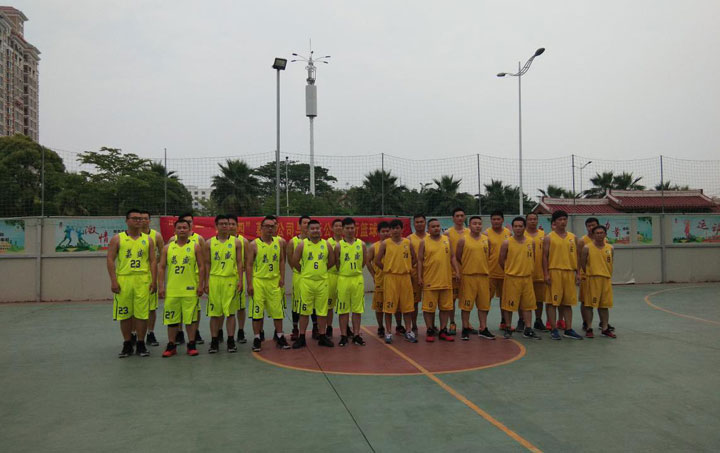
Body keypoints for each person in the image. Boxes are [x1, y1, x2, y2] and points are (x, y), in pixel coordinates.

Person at [106, 209, 157, 358]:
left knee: (142, 314)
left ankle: (141, 343)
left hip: (142, 279)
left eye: (140, 219)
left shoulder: (148, 240)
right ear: (126, 221)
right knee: (125, 314)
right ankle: (127, 343)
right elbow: (110, 259)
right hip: (124, 279)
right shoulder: (118, 239)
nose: (138, 221)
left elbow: (153, 261)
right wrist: (113, 280)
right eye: (134, 218)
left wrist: (154, 280)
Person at [158, 218, 205, 357]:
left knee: (190, 319)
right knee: (171, 319)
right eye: (179, 228)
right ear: (175, 230)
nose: (182, 230)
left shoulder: (195, 247)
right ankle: (171, 345)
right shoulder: (167, 248)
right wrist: (161, 286)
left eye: (185, 227)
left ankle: (191, 344)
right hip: (173, 290)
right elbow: (161, 267)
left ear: (190, 230)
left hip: (190, 289)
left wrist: (201, 285)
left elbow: (202, 266)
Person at [246, 215, 290, 352]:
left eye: (272, 226)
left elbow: (282, 260)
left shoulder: (279, 243)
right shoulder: (254, 245)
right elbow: (249, 265)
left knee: (278, 311)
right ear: (261, 228)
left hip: (274, 282)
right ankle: (257, 338)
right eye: (267, 226)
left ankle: (280, 336)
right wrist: (249, 284)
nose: (270, 229)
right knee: (257, 312)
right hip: (259, 282)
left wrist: (282, 277)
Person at [291, 220, 336, 348]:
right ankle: (302, 337)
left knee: (322, 311)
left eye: (317, 228)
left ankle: (322, 336)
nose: (315, 230)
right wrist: (305, 272)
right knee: (304, 311)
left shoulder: (326, 244)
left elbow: (332, 261)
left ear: (320, 229)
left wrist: (321, 271)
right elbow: (295, 261)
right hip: (307, 283)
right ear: (308, 230)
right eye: (313, 228)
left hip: (322, 282)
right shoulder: (302, 244)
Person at [203, 215, 244, 353]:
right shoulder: (209, 243)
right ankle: (214, 341)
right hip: (215, 280)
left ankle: (230, 341)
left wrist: (240, 280)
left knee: (231, 313)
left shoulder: (236, 242)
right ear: (216, 226)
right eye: (221, 224)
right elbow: (207, 263)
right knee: (215, 313)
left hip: (230, 280)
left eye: (227, 223)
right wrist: (206, 281)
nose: (225, 226)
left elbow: (239, 262)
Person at [374, 219, 417, 344]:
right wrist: (387, 269)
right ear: (390, 231)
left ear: (402, 229)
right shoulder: (385, 243)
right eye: (393, 228)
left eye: (398, 228)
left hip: (405, 277)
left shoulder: (407, 242)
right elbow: (377, 261)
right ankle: (388, 332)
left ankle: (408, 331)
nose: (395, 230)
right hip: (390, 278)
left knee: (407, 307)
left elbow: (414, 258)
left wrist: (407, 267)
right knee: (388, 308)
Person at [543, 210, 583, 340]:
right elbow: (544, 257)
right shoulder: (549, 237)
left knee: (568, 303)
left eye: (564, 219)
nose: (563, 222)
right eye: (560, 219)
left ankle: (568, 329)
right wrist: (546, 274)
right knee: (552, 303)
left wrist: (578, 273)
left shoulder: (573, 237)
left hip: (569, 272)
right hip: (555, 272)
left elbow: (577, 256)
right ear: (554, 222)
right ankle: (554, 329)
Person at [498, 217, 541, 340]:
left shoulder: (531, 242)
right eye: (515, 226)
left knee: (528, 306)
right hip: (512, 278)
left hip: (527, 278)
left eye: (520, 226)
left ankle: (528, 329)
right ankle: (508, 327)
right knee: (508, 305)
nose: (518, 228)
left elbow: (532, 258)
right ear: (512, 228)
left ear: (524, 227)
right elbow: (501, 260)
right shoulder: (507, 243)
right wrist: (510, 270)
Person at [418, 218, 459, 342]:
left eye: (438, 226)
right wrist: (419, 277)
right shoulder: (424, 242)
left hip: (446, 281)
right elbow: (420, 260)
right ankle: (430, 330)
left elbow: (452, 257)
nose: (436, 228)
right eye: (433, 226)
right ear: (428, 229)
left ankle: (443, 330)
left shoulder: (447, 240)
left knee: (445, 308)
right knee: (429, 309)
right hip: (430, 281)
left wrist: (457, 271)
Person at [169, 213, 206, 345]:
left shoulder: (199, 239)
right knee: (177, 308)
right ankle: (179, 332)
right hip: (178, 279)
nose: (186, 225)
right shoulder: (172, 241)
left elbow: (203, 261)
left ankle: (195, 332)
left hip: (193, 278)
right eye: (184, 222)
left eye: (189, 222)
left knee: (195, 309)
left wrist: (202, 282)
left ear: (192, 224)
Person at [456, 216, 495, 340]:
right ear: (469, 226)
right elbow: (458, 256)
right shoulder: (463, 240)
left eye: (479, 223)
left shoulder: (486, 240)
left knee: (483, 305)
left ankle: (483, 328)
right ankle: (465, 328)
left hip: (483, 276)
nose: (477, 226)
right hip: (468, 276)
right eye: (474, 223)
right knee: (466, 305)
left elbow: (488, 255)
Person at [334, 217, 368, 346]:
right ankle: (343, 335)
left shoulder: (362, 244)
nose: (350, 230)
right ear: (343, 230)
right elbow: (337, 263)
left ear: (355, 229)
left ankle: (356, 335)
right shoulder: (338, 245)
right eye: (347, 228)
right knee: (343, 309)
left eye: (352, 228)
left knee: (357, 309)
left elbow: (363, 262)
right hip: (343, 279)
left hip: (357, 279)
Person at [580, 225, 616, 338]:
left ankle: (605, 328)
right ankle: (589, 328)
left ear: (605, 234)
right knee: (589, 305)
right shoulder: (587, 248)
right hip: (592, 279)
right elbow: (583, 263)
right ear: (593, 235)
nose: (599, 235)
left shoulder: (610, 248)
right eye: (597, 233)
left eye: (601, 233)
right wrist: (590, 273)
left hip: (606, 280)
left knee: (604, 306)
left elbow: (610, 262)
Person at [444, 207, 472, 335]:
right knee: (452, 300)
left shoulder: (470, 232)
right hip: (452, 272)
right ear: (453, 218)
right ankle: (452, 322)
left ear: (465, 217)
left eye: (462, 215)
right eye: (457, 216)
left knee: (466, 299)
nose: (460, 218)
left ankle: (467, 323)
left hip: (467, 271)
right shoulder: (447, 234)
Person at [140, 210, 164, 347]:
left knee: (151, 307)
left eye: (145, 218)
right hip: (136, 275)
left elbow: (162, 253)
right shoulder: (132, 236)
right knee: (135, 308)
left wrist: (154, 264)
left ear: (149, 220)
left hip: (150, 275)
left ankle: (150, 333)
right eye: (140, 218)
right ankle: (135, 334)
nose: (143, 221)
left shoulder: (156, 236)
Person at [288, 216, 315, 340]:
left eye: (308, 223)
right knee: (297, 303)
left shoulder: (316, 241)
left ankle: (315, 328)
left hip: (312, 278)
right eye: (304, 223)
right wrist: (302, 271)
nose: (306, 225)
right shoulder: (293, 242)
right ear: (299, 225)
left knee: (313, 303)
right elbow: (291, 261)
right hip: (299, 277)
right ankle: (295, 329)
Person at [485, 210, 511, 330]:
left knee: (504, 300)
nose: (496, 221)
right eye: (494, 219)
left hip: (505, 272)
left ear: (502, 220)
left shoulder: (508, 233)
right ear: (491, 220)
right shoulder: (486, 234)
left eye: (498, 219)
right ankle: (483, 325)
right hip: (490, 272)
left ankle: (504, 322)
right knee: (486, 299)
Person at [524, 213, 548, 332]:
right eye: (530, 219)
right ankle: (522, 321)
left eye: (534, 219)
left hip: (540, 272)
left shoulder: (544, 235)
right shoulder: (521, 234)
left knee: (539, 299)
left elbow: (547, 254)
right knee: (524, 299)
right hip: (525, 273)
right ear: (526, 221)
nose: (532, 221)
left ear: (538, 221)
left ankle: (538, 320)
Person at [227, 216, 250, 344]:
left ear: (237, 226)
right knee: (222, 308)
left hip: (237, 278)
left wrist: (243, 269)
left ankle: (240, 331)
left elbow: (248, 259)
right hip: (223, 279)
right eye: (228, 224)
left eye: (233, 224)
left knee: (240, 307)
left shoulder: (243, 241)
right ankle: (220, 332)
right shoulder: (218, 241)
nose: (230, 226)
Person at [367, 221, 390, 337]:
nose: (385, 233)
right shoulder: (373, 247)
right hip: (380, 280)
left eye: (387, 231)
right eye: (383, 231)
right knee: (379, 306)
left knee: (395, 306)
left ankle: (398, 325)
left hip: (394, 280)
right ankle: (381, 327)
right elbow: (367, 261)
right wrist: (374, 275)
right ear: (378, 233)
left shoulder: (395, 245)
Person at [407, 214, 427, 336]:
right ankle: (413, 325)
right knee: (414, 302)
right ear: (414, 224)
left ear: (425, 223)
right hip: (414, 274)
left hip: (430, 274)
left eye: (421, 222)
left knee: (430, 301)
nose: (419, 224)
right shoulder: (409, 239)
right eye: (417, 222)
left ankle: (430, 326)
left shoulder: (431, 237)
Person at [326, 218, 343, 338]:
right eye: (336, 226)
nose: (338, 228)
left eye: (340, 226)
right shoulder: (327, 243)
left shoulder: (347, 242)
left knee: (344, 305)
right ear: (332, 228)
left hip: (343, 277)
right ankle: (329, 327)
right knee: (329, 305)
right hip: (331, 276)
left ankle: (346, 328)